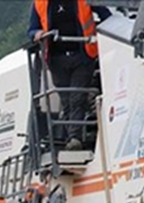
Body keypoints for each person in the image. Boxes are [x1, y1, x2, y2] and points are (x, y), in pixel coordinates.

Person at [28, 0, 112, 150]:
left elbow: (106, 15)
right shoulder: (40, 3)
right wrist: (38, 34)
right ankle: (71, 137)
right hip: (56, 59)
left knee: (77, 97)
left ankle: (75, 138)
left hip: (83, 55)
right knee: (66, 101)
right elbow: (32, 29)